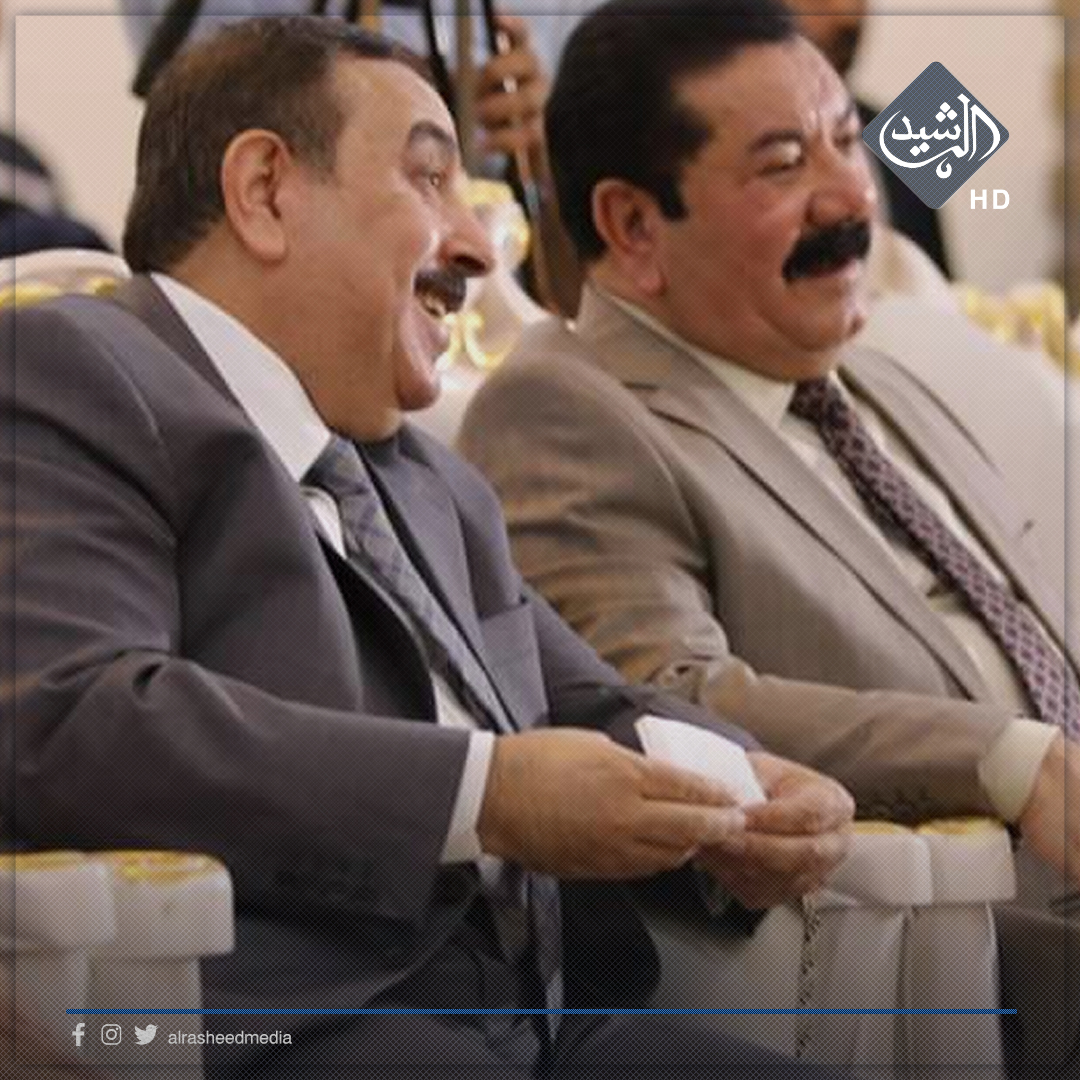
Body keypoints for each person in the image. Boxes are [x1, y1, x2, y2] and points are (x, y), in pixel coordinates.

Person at [0, 16, 856, 1078]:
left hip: (556, 1026)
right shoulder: (68, 371)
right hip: (271, 1033)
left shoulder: (424, 475)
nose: (482, 248)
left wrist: (747, 791)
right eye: (430, 180)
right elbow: (73, 718)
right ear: (266, 190)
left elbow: (583, 704)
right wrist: (483, 795)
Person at [457, 0, 1079, 1072]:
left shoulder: (876, 374)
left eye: (847, 141)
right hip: (978, 932)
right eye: (784, 165)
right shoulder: (565, 409)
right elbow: (670, 704)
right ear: (633, 226)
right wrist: (1007, 759)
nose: (853, 198)